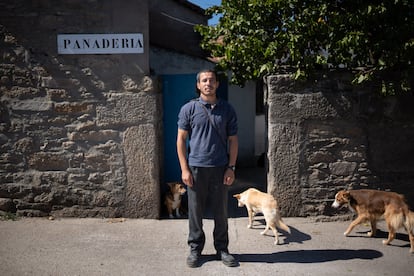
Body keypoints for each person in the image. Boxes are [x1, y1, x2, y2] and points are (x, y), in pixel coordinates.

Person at [176, 69, 239, 268]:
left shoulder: (227, 110)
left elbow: (234, 141)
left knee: (221, 212)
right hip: (196, 168)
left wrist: (231, 167)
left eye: (211, 80)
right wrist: (184, 169)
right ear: (198, 85)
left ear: (217, 84)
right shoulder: (188, 109)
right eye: (204, 80)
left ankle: (222, 249)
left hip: (220, 168)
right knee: (195, 211)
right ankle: (195, 249)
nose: (208, 83)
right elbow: (181, 140)